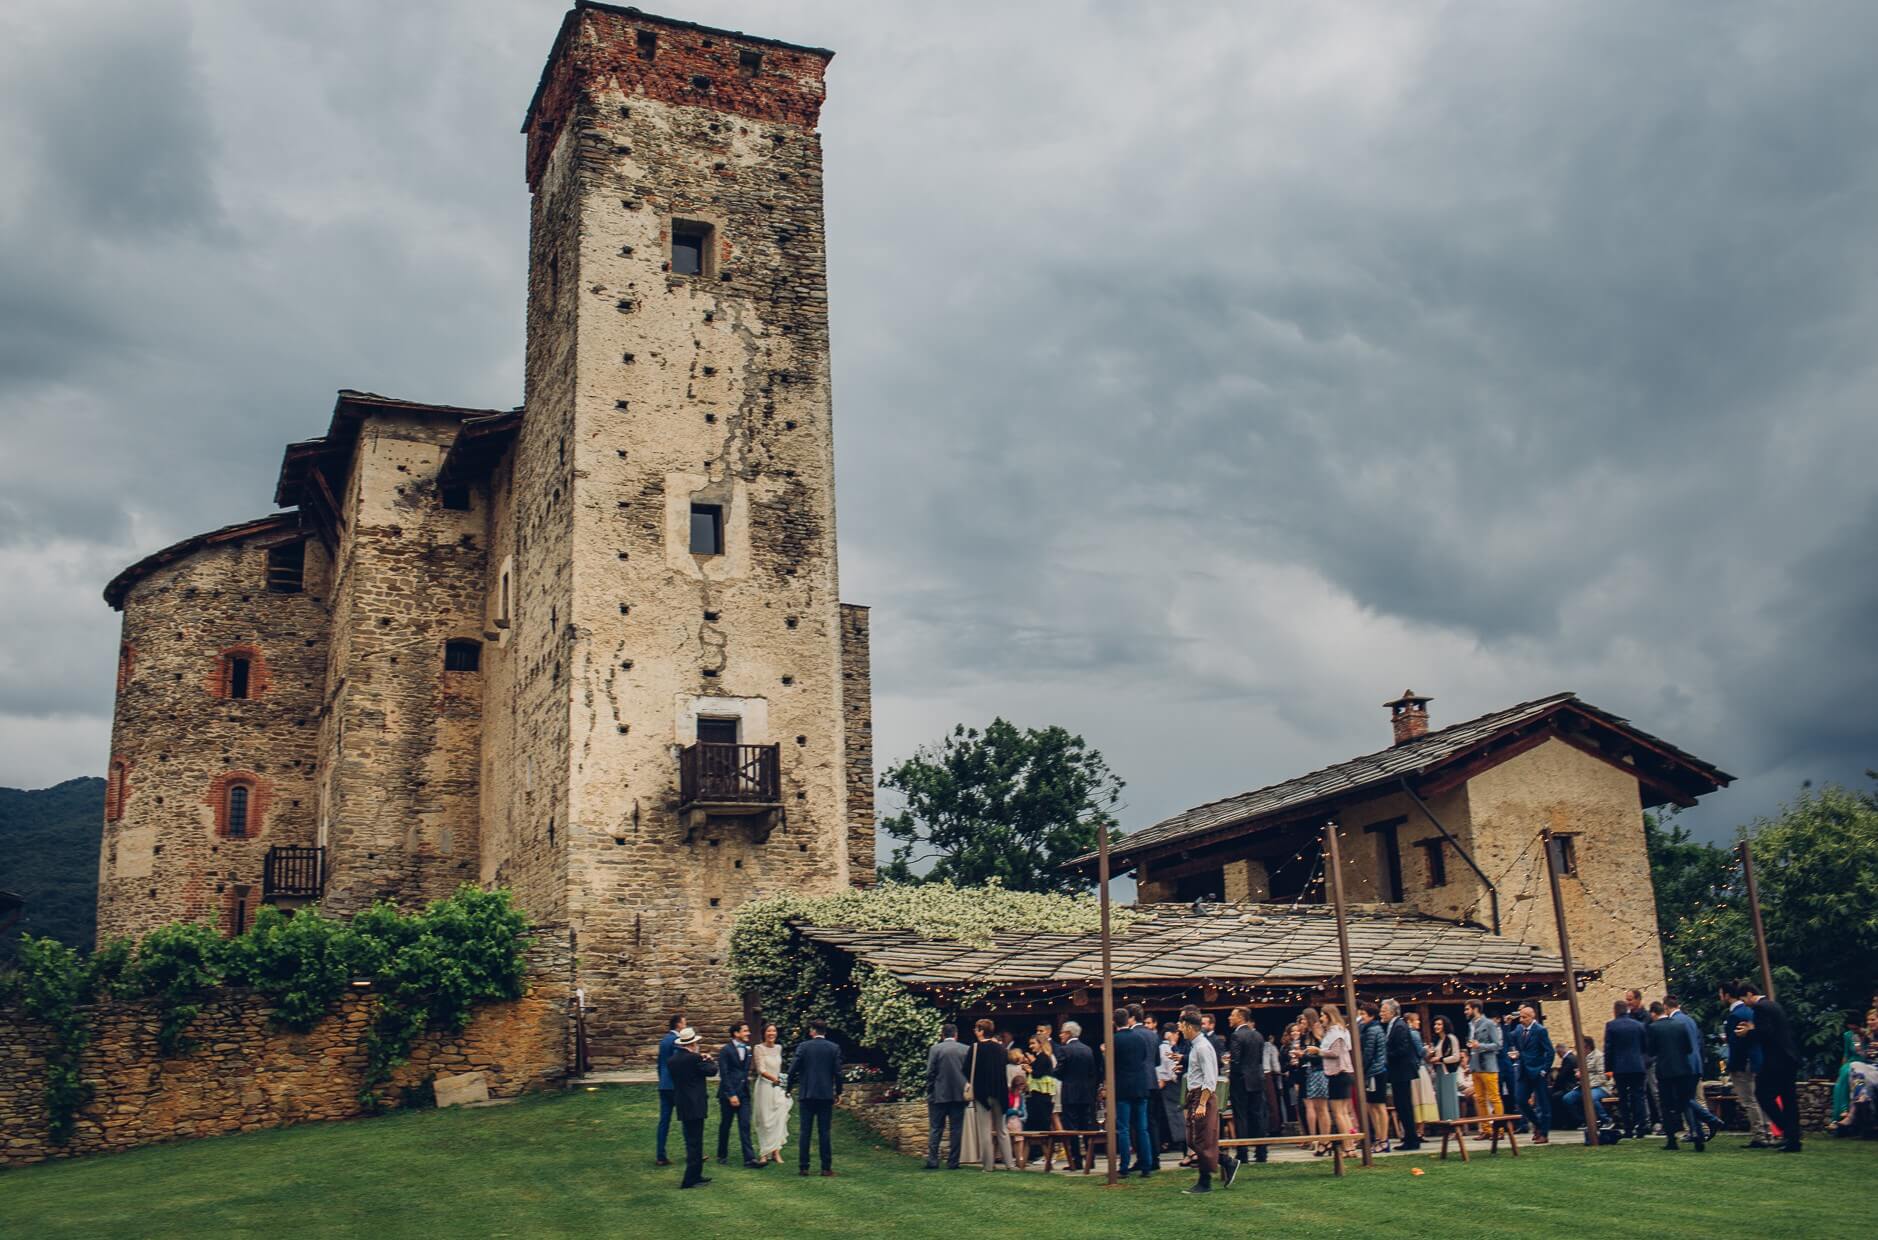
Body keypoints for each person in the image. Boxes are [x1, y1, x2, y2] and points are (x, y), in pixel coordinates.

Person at [1726, 980, 1802, 1152]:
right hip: (1789, 1058)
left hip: (1776, 1060)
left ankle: (1788, 1130)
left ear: (1749, 994)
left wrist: (1747, 1032)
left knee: (1762, 1094)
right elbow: (1771, 1029)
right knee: (1789, 1099)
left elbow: (1764, 1033)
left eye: (1744, 1000)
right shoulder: (1773, 1005)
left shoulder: (1760, 1008)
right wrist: (1754, 1027)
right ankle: (1793, 1138)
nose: (1745, 1004)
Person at [1179, 1008, 1232, 1193]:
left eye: (1181, 1025)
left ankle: (1205, 1182)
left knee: (1201, 1139)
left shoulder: (1202, 1047)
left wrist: (1202, 1102)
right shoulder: (1196, 1046)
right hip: (1195, 1095)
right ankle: (1226, 1162)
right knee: (1193, 1139)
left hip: (1203, 1096)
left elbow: (1210, 1078)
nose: (1179, 1028)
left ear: (1188, 1026)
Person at [1646, 1003, 1704, 1151]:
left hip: (1665, 1071)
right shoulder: (1680, 1025)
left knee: (1666, 1105)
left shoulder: (1653, 1028)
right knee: (1687, 1102)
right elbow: (1688, 1048)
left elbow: (1651, 1051)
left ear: (1653, 1013)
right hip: (1683, 1069)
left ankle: (1672, 1139)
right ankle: (1697, 1132)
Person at [788, 1018, 842, 1176]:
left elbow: (792, 1070)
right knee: (824, 1132)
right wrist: (838, 1092)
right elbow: (838, 1073)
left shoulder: (803, 1047)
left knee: (805, 1132)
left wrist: (789, 1087)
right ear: (825, 1031)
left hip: (807, 1094)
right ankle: (826, 1168)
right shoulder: (833, 1048)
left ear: (812, 1030)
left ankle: (803, 1167)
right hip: (825, 1095)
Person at [1663, 996, 1721, 1140]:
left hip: (1684, 1065)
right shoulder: (1689, 1020)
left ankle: (1709, 1121)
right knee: (1688, 1099)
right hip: (1695, 1064)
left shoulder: (1674, 1022)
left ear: (1666, 1007)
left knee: (1685, 1099)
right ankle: (1697, 1131)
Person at [668, 1026, 717, 1188]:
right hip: (695, 1104)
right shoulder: (695, 1059)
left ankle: (696, 1175)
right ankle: (690, 1180)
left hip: (683, 1104)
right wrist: (708, 1058)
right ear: (692, 1044)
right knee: (695, 1143)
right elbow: (712, 1071)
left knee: (692, 1141)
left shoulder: (673, 1061)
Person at [1111, 1005, 1157, 1176]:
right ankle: (1146, 1166)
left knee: (1123, 1128)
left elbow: (1109, 1064)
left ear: (1114, 1022)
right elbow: (1145, 1058)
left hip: (1123, 1087)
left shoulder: (1114, 1039)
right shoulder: (1139, 1038)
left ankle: (1124, 1166)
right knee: (1142, 1128)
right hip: (1141, 1085)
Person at [1722, 988, 1770, 1148]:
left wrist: (1732, 1066)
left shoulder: (1735, 1015)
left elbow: (1736, 1044)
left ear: (1727, 995)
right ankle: (1767, 1132)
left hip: (1743, 1062)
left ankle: (1759, 1135)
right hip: (1756, 1060)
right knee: (1758, 1098)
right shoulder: (1750, 1012)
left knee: (1749, 1099)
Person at [967, 1018, 1017, 1171]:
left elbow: (966, 1070)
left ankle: (988, 1166)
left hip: (982, 1093)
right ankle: (1009, 1163)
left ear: (981, 1031)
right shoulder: (1002, 1049)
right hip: (1000, 1092)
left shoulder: (975, 1048)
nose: (975, 1032)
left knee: (985, 1130)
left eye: (976, 1029)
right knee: (1002, 1129)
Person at [923, 1024, 970, 1170]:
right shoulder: (965, 1049)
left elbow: (930, 1072)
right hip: (959, 1094)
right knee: (956, 1129)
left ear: (942, 1035)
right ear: (956, 1035)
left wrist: (930, 1090)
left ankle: (932, 1160)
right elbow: (969, 1072)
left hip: (939, 1094)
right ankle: (953, 1162)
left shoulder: (935, 1049)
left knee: (936, 1128)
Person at [716, 1021, 762, 1168]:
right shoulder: (725, 1051)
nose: (748, 1033)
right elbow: (724, 1074)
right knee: (726, 1124)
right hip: (728, 1094)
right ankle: (722, 1154)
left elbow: (744, 1072)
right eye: (745, 1031)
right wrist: (731, 1094)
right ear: (736, 1034)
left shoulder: (748, 1049)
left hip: (744, 1093)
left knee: (745, 1125)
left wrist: (742, 1091)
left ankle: (749, 1159)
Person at [1227, 1007, 1269, 1166]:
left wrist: (1232, 1069)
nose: (1229, 1018)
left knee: (1241, 1116)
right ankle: (1261, 1152)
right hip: (1257, 1079)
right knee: (1258, 1115)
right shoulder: (1258, 1035)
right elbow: (1258, 1059)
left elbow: (1236, 1061)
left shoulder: (1237, 1035)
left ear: (1240, 1018)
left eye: (1232, 1015)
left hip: (1241, 1080)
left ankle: (1242, 1153)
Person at [1054, 1020, 1098, 1170]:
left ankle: (1076, 1160)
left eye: (1062, 1032)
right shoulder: (1087, 1050)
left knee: (1071, 1128)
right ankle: (1091, 1160)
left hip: (1070, 1093)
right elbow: (1093, 1072)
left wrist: (1057, 1073)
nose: (1060, 1036)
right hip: (1086, 1093)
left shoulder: (1064, 1050)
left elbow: (1059, 1071)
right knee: (1086, 1126)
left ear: (1068, 1033)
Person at [1380, 999, 1424, 1151]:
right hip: (1398, 1071)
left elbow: (1403, 1049)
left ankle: (1412, 1140)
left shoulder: (1399, 1026)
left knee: (1404, 1105)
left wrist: (1386, 1055)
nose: (1381, 1013)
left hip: (1402, 1070)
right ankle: (1409, 1138)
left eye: (1384, 1010)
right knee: (1401, 1105)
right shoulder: (1393, 1025)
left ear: (1392, 1012)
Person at [1506, 1004, 1553, 1143]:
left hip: (1538, 1071)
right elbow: (1510, 1039)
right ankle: (1538, 1124)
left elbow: (1550, 1051)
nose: (1521, 1019)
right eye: (1520, 1016)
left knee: (1543, 1104)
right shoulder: (1519, 1029)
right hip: (1523, 1070)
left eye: (1524, 1017)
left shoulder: (1540, 1030)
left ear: (1532, 1017)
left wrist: (1544, 1070)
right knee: (1520, 1100)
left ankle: (1544, 1134)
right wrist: (1508, 1025)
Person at [1604, 999, 1649, 1140]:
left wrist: (1608, 1068)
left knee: (1623, 1099)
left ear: (1615, 1011)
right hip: (1637, 1065)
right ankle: (1641, 1127)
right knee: (1639, 1096)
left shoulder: (1611, 1026)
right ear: (1627, 1010)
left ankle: (1628, 1128)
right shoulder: (1639, 1025)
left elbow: (1609, 1048)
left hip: (1620, 1067)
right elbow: (1645, 1046)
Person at [1830, 1011, 1878, 1137]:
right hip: (1865, 1068)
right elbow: (1852, 1051)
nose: (1870, 1023)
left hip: (1872, 1068)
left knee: (1855, 1071)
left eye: (1873, 1020)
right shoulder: (1861, 1036)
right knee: (1854, 1069)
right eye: (1868, 1020)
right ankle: (1859, 1100)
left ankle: (1850, 1113)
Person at [1319, 1005, 1358, 1156]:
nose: (1321, 1018)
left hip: (1338, 1073)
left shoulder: (1335, 1032)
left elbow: (1334, 1052)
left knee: (1339, 1113)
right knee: (1344, 1113)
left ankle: (1348, 1146)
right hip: (1345, 1073)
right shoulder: (1342, 1030)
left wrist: (1318, 1051)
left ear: (1329, 1016)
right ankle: (1351, 1146)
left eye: (1322, 1015)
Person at [751, 1022, 791, 1166]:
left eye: (773, 1031)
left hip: (777, 1088)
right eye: (768, 1031)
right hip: (765, 1087)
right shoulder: (759, 1048)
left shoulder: (779, 1048)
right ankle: (764, 1152)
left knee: (778, 1118)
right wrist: (775, 1079)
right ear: (764, 1033)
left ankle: (776, 1151)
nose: (771, 1034)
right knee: (765, 1120)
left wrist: (782, 1081)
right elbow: (761, 1070)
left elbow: (779, 1068)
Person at [1559, 1036, 1611, 1136]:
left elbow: (1602, 1077)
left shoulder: (1599, 1056)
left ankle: (1606, 1120)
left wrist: (1586, 1082)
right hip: (1583, 1087)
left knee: (1590, 1097)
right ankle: (1587, 1121)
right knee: (1567, 1099)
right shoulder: (1581, 1057)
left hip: (1599, 1087)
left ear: (1587, 1047)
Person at [1358, 1002, 1392, 1149]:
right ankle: (1378, 1137)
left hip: (1376, 1072)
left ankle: (1383, 1139)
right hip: (1372, 1071)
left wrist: (1361, 1069)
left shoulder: (1373, 1029)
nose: (1361, 1017)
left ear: (1371, 1015)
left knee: (1379, 1106)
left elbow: (1368, 1053)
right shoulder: (1367, 1028)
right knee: (1371, 1106)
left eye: (1363, 1014)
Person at [1023, 1031, 1059, 1162]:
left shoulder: (1044, 1057)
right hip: (1037, 1097)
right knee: (1034, 1125)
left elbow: (1037, 1074)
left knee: (1041, 1125)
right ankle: (1034, 1154)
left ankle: (1043, 1154)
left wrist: (1029, 1069)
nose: (1031, 1046)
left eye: (1033, 1043)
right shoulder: (1039, 1057)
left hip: (1041, 1098)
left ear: (1040, 1044)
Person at [655, 1012, 685, 1166]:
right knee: (687, 1119)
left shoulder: (663, 1041)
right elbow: (676, 1062)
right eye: (684, 1023)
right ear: (678, 1025)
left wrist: (662, 1080)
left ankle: (660, 1155)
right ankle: (693, 1153)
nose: (685, 1026)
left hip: (664, 1085)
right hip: (675, 1085)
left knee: (664, 1121)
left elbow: (659, 1064)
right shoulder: (677, 1040)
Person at [1465, 1000, 1503, 1118]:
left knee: (1494, 1097)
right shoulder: (1471, 1025)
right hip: (1475, 1066)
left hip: (1488, 1066)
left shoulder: (1489, 1023)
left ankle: (1499, 1129)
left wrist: (1480, 1046)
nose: (1465, 1012)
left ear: (1475, 1009)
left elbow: (1498, 1045)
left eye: (1467, 1009)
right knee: (1480, 1099)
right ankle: (1486, 1130)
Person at [1156, 1025, 1188, 1154]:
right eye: (1176, 1034)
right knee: (1175, 1113)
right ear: (1170, 1034)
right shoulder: (1165, 1048)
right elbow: (1171, 1066)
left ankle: (1175, 1141)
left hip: (1167, 1083)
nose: (1178, 1036)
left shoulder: (1163, 1047)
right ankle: (1180, 1141)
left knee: (1173, 1113)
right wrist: (1174, 1077)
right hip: (1170, 1083)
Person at [1430, 1015, 1463, 1121]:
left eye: (1439, 1024)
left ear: (1445, 1025)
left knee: (1449, 1098)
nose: (1436, 1026)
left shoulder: (1451, 1038)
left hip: (1448, 1071)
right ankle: (1444, 1124)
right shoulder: (1438, 1040)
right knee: (1441, 1098)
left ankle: (1453, 1123)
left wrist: (1440, 1059)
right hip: (1439, 1071)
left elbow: (1456, 1057)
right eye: (1435, 1024)